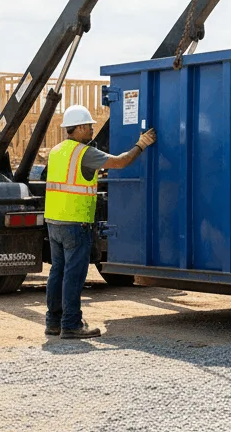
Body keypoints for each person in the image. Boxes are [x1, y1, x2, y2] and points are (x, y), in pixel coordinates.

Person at [44, 104, 156, 339]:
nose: (93, 130)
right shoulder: (85, 153)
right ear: (81, 127)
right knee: (74, 275)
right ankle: (71, 324)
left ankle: (53, 322)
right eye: (90, 127)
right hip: (75, 223)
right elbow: (120, 162)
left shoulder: (56, 150)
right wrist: (141, 145)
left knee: (58, 272)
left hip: (54, 221)